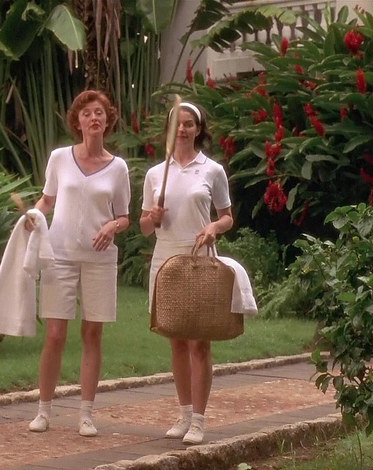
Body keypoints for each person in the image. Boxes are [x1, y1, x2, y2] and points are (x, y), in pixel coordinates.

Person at [26, 90, 131, 437]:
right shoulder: (60, 158)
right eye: (87, 113)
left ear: (107, 119)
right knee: (55, 334)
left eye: (99, 112)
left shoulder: (118, 167)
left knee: (92, 332)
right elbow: (47, 199)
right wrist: (33, 215)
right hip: (60, 254)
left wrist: (112, 227)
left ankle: (86, 414)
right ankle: (43, 411)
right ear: (78, 122)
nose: (93, 118)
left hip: (99, 259)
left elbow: (125, 217)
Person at [140, 102, 234, 445]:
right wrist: (152, 217)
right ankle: (183, 413)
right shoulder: (156, 174)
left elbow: (227, 216)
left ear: (198, 129)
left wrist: (213, 227)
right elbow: (145, 228)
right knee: (176, 339)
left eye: (189, 124)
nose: (182, 129)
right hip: (165, 260)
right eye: (177, 124)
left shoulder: (212, 170)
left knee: (199, 341)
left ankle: (199, 419)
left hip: (198, 258)